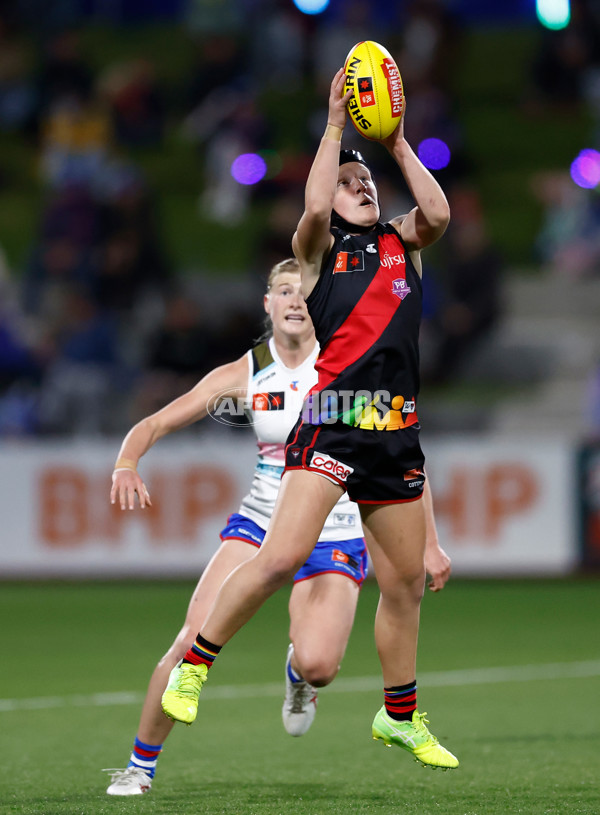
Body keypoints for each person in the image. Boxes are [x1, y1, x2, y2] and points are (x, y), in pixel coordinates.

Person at [161, 68, 459, 770]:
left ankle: (400, 715)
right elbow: (316, 208)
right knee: (283, 556)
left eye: (369, 183)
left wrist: (397, 141)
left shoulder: (401, 243)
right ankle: (196, 664)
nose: (363, 188)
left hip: (395, 426)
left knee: (405, 582)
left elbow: (439, 214)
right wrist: (335, 130)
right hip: (331, 421)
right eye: (351, 183)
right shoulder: (318, 254)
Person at [104, 256, 452, 795]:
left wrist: (429, 540)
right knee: (190, 641)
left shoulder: (354, 366)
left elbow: (400, 452)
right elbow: (154, 422)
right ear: (267, 303)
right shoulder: (244, 374)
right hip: (262, 525)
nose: (293, 300)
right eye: (282, 291)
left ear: (321, 301)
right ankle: (139, 766)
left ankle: (299, 679)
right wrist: (127, 463)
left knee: (319, 665)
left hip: (336, 530)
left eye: (303, 290)